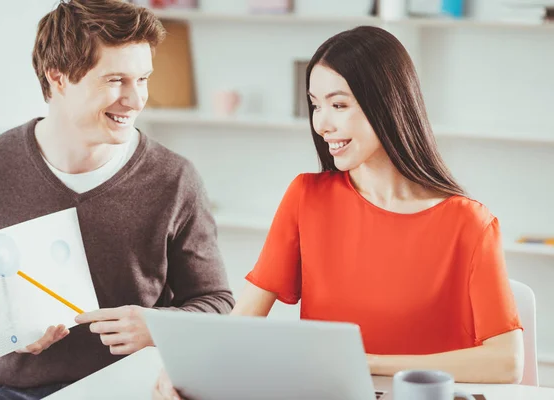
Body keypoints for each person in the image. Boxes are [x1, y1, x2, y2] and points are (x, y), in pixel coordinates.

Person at [154, 25, 524, 399]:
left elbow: (507, 361)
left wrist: (368, 363)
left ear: (387, 103)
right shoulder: (307, 198)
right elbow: (244, 319)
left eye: (339, 105)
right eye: (316, 105)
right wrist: (189, 373)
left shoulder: (469, 223)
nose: (322, 124)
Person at [0, 1, 234, 399]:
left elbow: (216, 302)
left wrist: (160, 326)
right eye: (116, 80)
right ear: (58, 77)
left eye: (143, 78)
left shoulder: (174, 179)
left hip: (137, 389)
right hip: (20, 392)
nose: (136, 100)